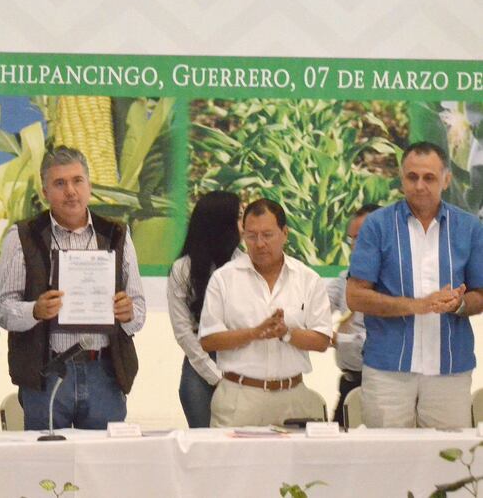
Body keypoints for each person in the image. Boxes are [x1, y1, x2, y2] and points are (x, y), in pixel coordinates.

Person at [0, 147, 146, 430]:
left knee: (102, 466)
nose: (70, 191)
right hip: (47, 374)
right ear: (44, 192)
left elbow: (139, 312)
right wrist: (35, 310)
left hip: (105, 373)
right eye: (59, 183)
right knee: (47, 466)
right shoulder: (22, 236)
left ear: (89, 186)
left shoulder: (117, 234)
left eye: (78, 181)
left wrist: (127, 313)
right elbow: (4, 310)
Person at [347, 142, 483, 429]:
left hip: (450, 371)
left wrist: (458, 304)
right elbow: (355, 296)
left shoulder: (470, 228)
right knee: (386, 463)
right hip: (387, 371)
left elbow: (480, 295)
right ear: (401, 178)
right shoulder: (376, 225)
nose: (420, 185)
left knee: (448, 465)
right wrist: (419, 305)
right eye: (412, 177)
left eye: (429, 177)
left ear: (446, 180)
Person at [200, 198, 332, 427]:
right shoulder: (224, 278)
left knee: (293, 464)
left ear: (285, 233)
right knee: (234, 464)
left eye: (267, 235)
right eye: (251, 236)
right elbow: (209, 340)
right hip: (239, 397)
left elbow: (322, 340)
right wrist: (254, 333)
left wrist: (286, 333)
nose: (259, 244)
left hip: (293, 396)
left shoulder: (308, 279)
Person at [166, 191, 241, 428]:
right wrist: (215, 375)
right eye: (239, 217)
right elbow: (183, 333)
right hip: (199, 361)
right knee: (204, 445)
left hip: (241, 357)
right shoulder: (182, 269)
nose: (245, 225)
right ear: (222, 223)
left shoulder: (245, 265)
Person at [327, 203, 379, 426]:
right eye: (352, 239)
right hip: (350, 383)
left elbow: (383, 340)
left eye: (361, 237)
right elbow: (312, 310)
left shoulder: (400, 285)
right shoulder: (344, 278)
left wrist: (339, 339)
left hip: (388, 387)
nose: (355, 246)